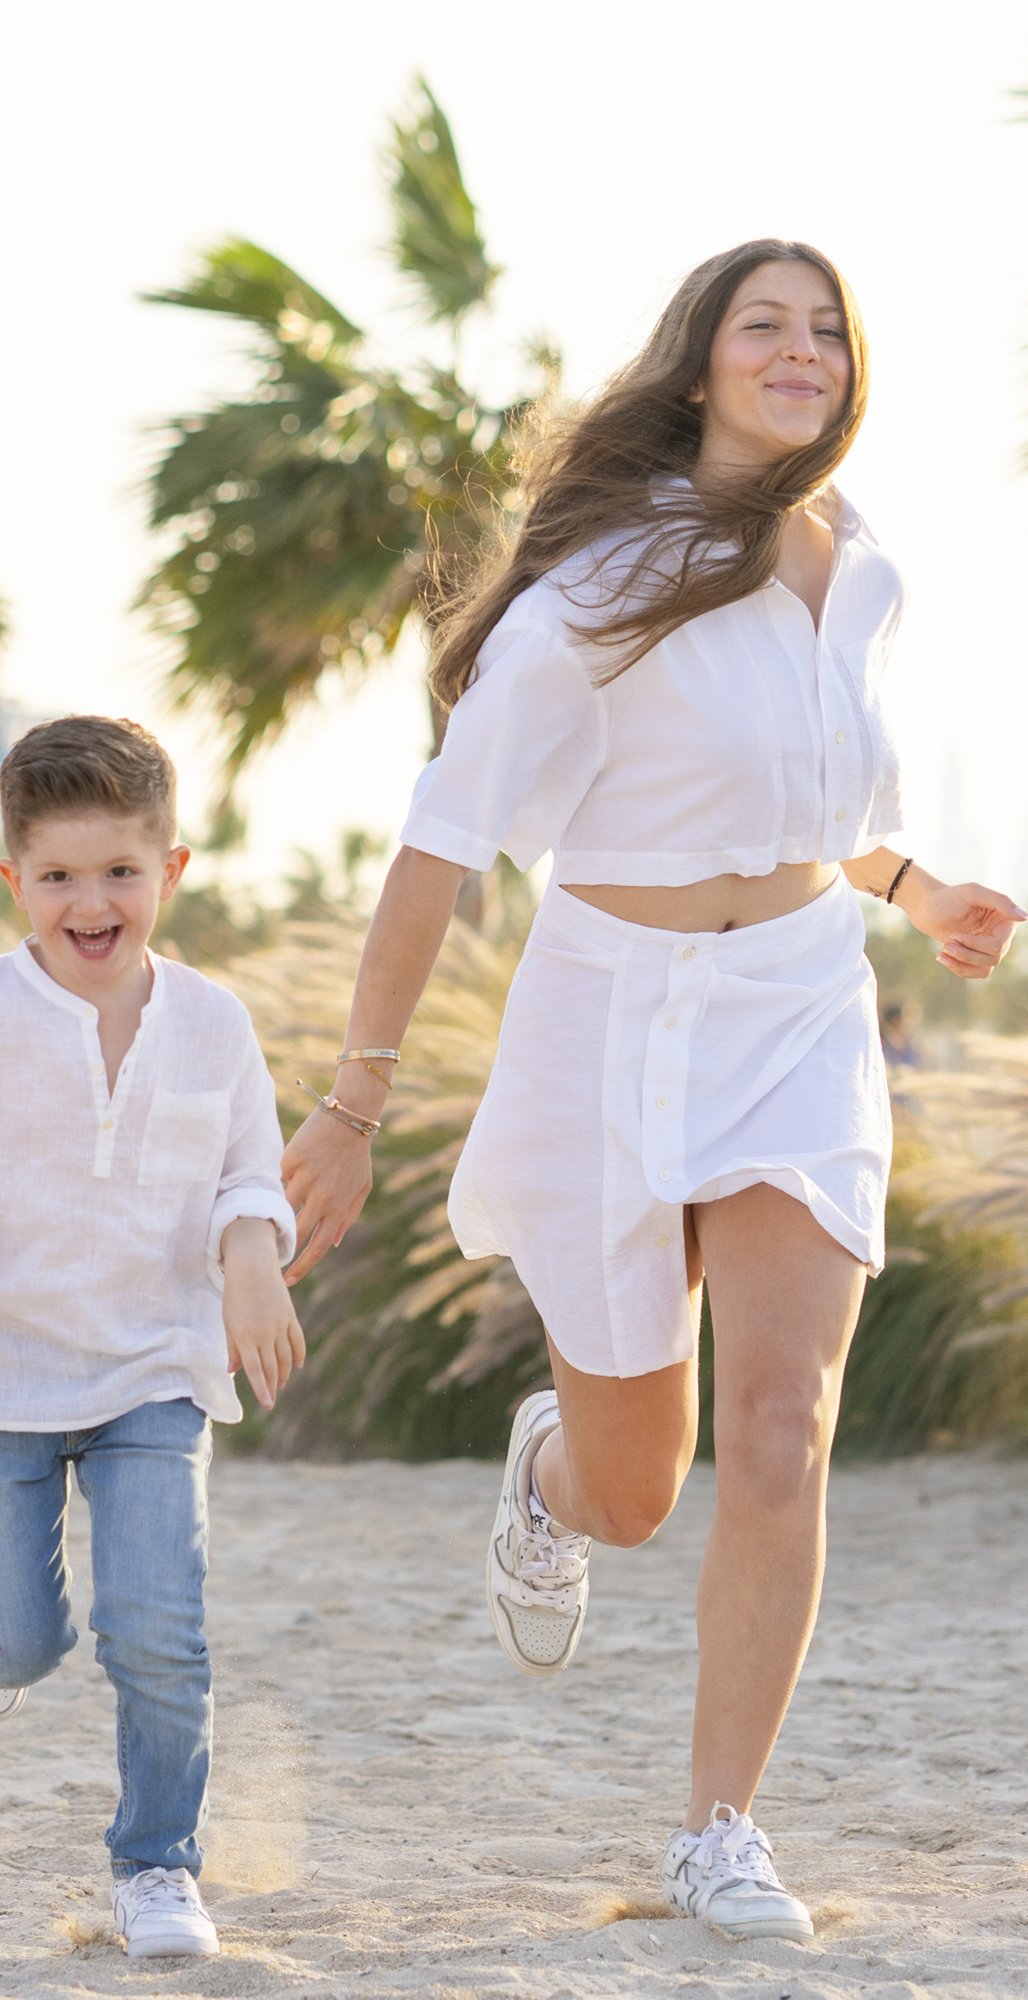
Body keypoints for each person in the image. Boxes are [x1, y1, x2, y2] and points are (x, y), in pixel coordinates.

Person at [277, 241, 1023, 1941]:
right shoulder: (603, 583)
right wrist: (350, 1100)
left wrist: (917, 893)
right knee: (637, 1489)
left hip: (797, 1010)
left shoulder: (866, 570)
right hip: (608, 1020)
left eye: (830, 326)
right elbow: (442, 841)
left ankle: (718, 1829)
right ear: (699, 366)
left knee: (783, 1430)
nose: (804, 348)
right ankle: (551, 1474)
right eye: (767, 323)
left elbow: (826, 805)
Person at [0, 717, 305, 1960]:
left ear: (173, 870)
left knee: (158, 1622)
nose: (89, 903)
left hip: (157, 1365)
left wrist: (253, 1259)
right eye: (56, 875)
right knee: (13, 1641)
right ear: (13, 882)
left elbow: (246, 1169)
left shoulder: (213, 1021)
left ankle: (157, 1864)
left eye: (118, 871)